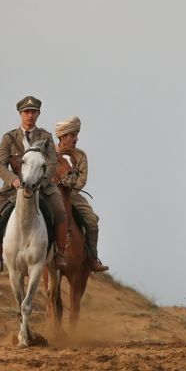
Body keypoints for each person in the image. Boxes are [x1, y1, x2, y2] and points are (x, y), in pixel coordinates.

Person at [0, 95, 69, 273]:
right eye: (27, 112)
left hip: (42, 185)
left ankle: (60, 254)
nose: (30, 115)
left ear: (38, 114)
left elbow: (52, 163)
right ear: (20, 114)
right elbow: (0, 165)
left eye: (33, 112)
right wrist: (14, 181)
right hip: (13, 187)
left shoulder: (46, 137)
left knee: (60, 210)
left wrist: (40, 180)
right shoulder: (9, 138)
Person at [54, 116, 109, 273]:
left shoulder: (81, 156)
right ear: (62, 136)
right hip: (51, 195)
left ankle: (92, 258)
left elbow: (82, 180)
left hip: (72, 195)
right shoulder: (49, 152)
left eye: (76, 135)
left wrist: (69, 189)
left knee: (91, 220)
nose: (76, 139)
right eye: (73, 135)